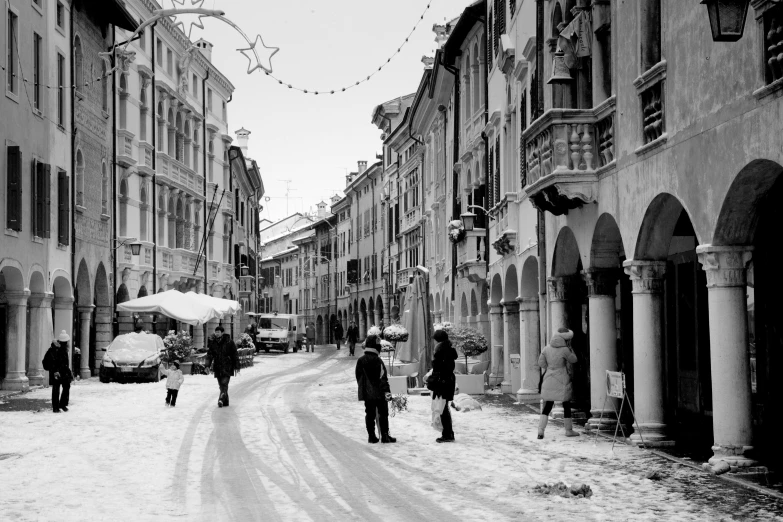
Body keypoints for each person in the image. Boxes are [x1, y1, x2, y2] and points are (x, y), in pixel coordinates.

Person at [537, 328, 579, 439]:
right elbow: (574, 360)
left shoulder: (546, 348)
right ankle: (568, 430)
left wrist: (550, 368)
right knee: (566, 404)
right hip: (562, 378)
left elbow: (540, 363)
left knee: (548, 405)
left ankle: (541, 431)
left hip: (549, 377)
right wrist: (571, 349)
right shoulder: (565, 350)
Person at [355, 335, 396, 444]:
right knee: (383, 414)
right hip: (379, 392)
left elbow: (358, 377)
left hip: (367, 393)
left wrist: (365, 388)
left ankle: (371, 436)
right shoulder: (378, 361)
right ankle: (385, 436)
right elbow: (383, 378)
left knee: (369, 414)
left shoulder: (361, 360)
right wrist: (387, 393)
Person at [429, 329, 458, 443]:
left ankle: (447, 434)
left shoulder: (442, 351)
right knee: (444, 408)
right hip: (446, 381)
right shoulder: (447, 350)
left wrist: (436, 379)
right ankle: (448, 433)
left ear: (438, 340)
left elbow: (441, 369)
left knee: (442, 409)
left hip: (443, 382)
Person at [205, 325, 240, 408]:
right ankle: (225, 401)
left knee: (224, 383)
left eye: (218, 332)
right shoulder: (213, 343)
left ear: (222, 333)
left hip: (227, 366)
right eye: (216, 332)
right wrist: (207, 366)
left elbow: (235, 354)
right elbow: (210, 355)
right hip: (217, 366)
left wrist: (237, 366)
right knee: (221, 385)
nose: (217, 334)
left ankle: (220, 399)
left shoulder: (229, 342)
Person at [42, 331, 73, 413]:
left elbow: (64, 362)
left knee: (65, 386)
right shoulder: (56, 349)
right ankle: (56, 407)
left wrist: (68, 371)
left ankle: (62, 404)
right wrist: (56, 371)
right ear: (65, 342)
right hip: (56, 372)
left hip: (63, 371)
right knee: (56, 389)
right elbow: (54, 361)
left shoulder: (63, 349)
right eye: (67, 342)